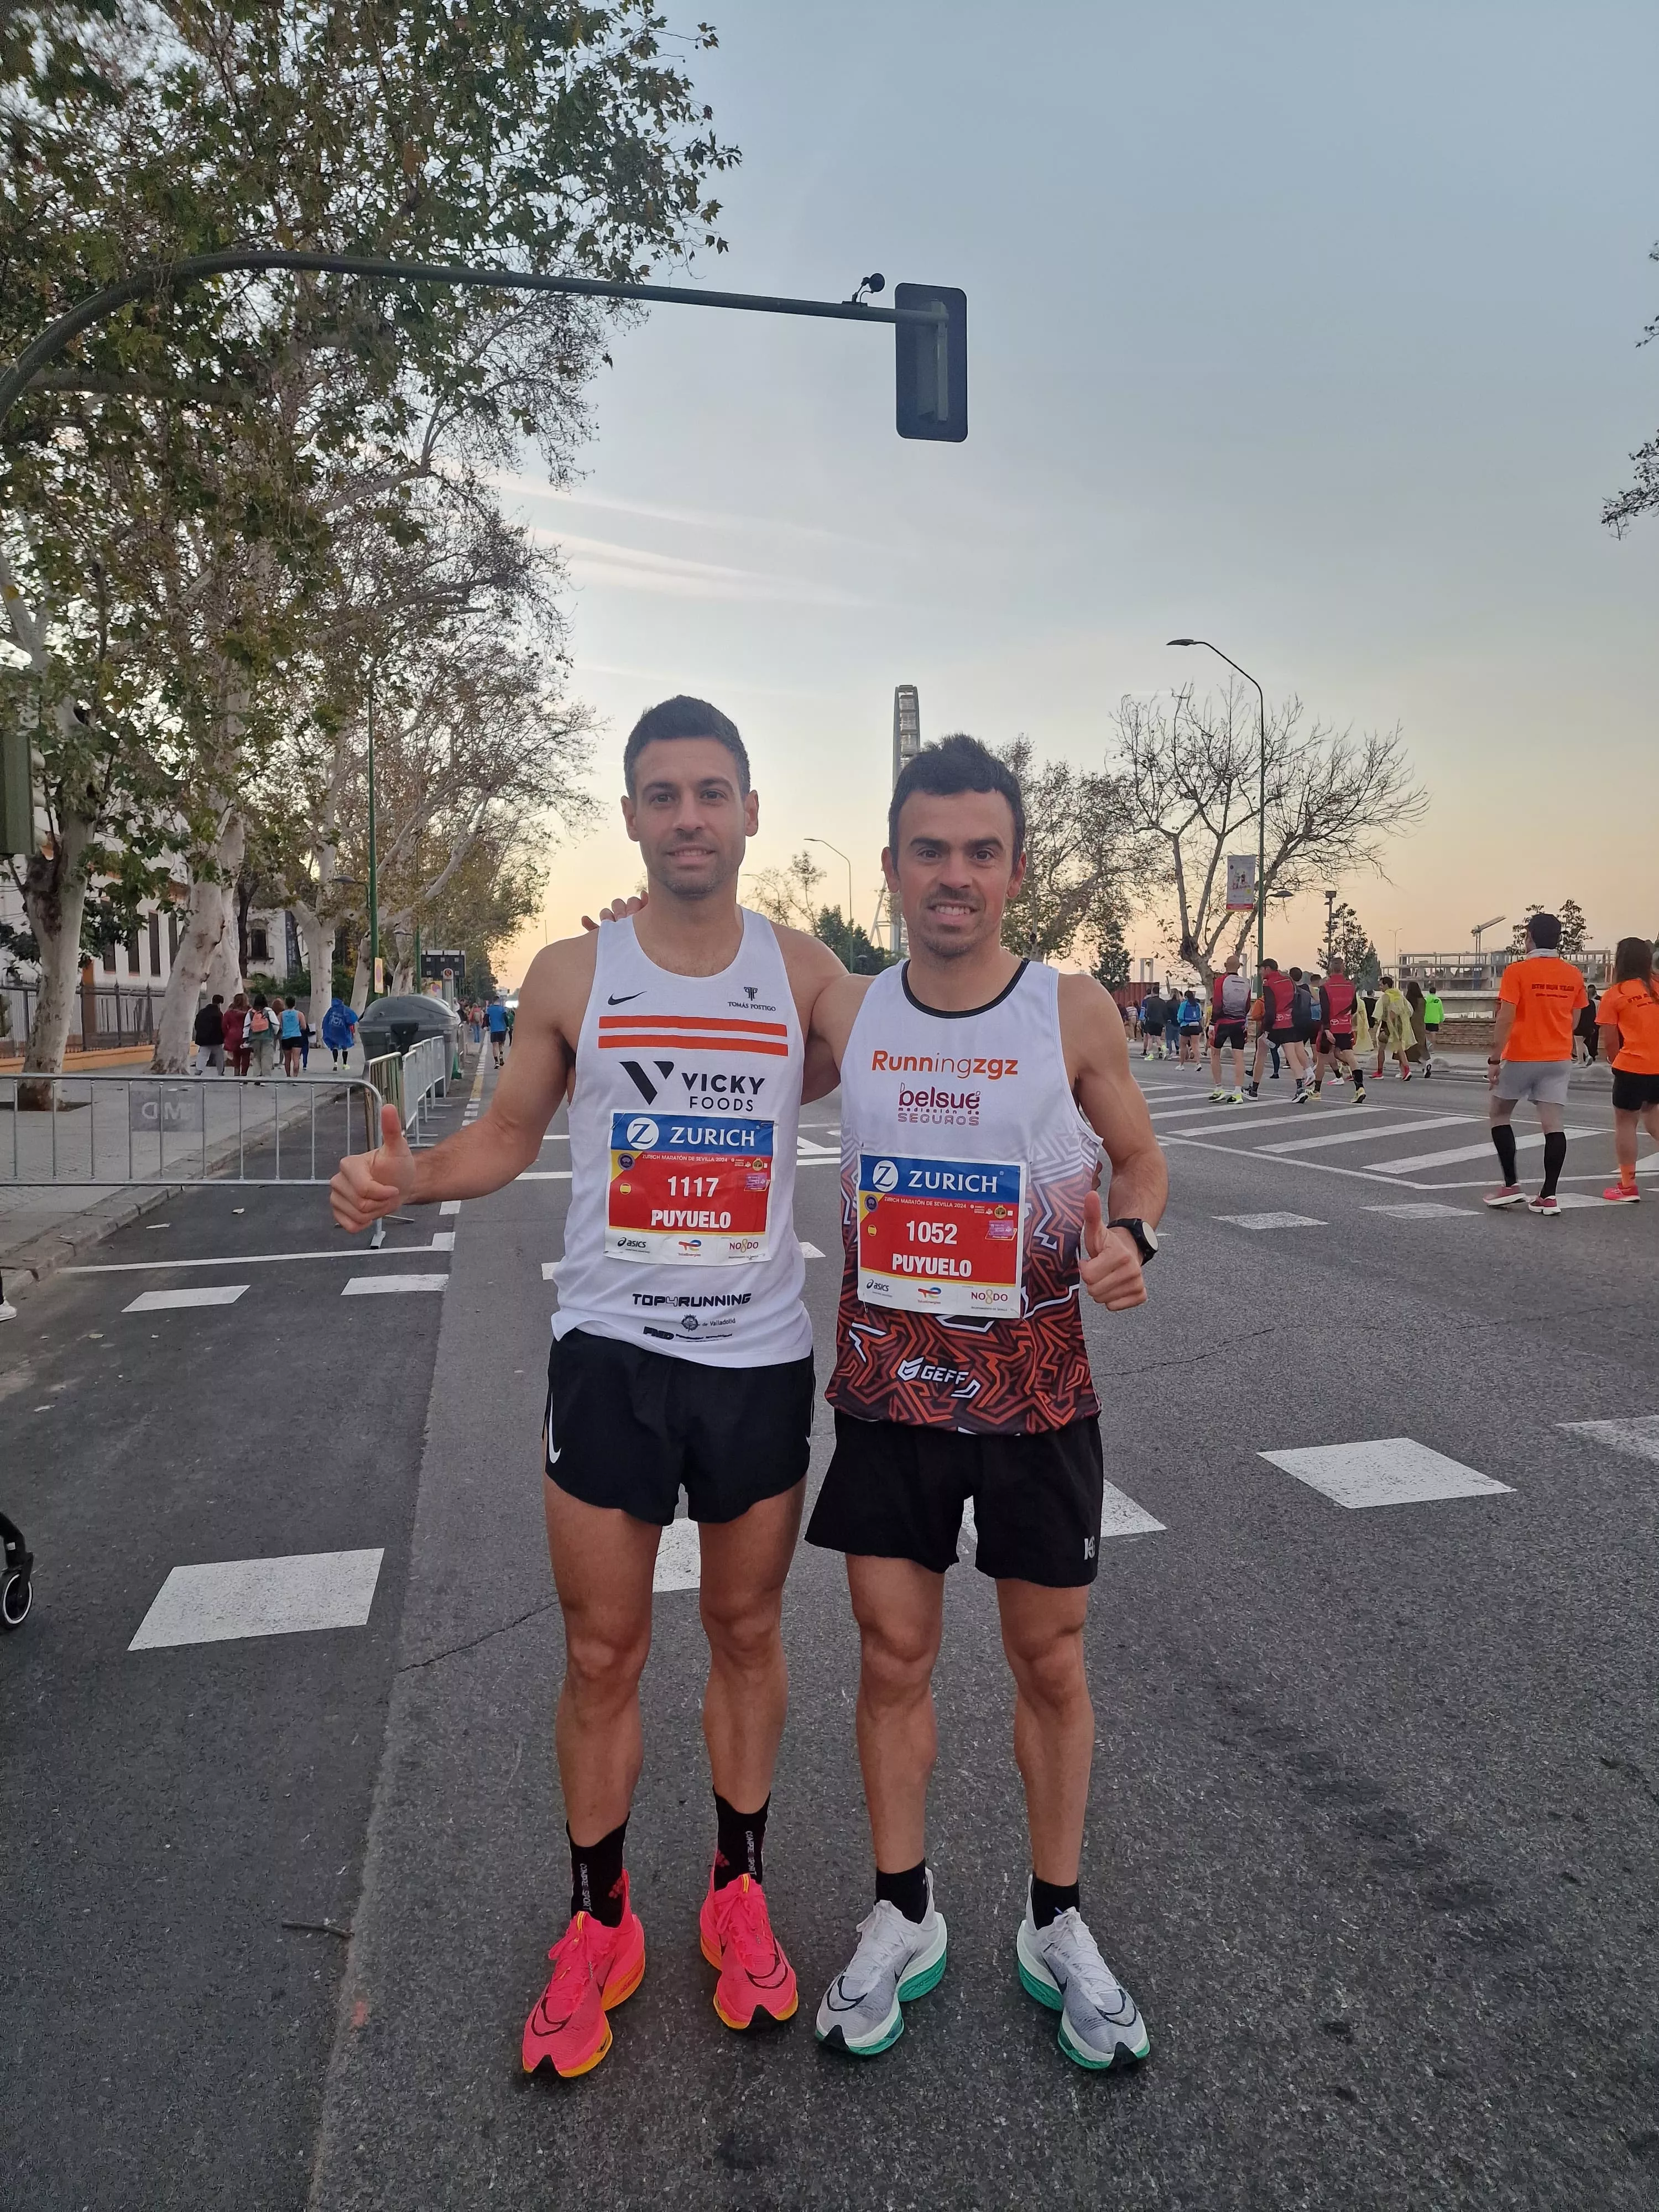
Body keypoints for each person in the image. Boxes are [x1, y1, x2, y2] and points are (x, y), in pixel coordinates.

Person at [332, 695, 846, 2081]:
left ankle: (736, 1889)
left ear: (750, 811)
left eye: (712, 792)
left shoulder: (802, 971)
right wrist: (408, 1177)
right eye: (662, 794)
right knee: (603, 1652)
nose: (689, 816)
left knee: (747, 1631)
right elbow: (508, 1132)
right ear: (629, 815)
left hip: (754, 1361)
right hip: (611, 1360)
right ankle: (599, 1918)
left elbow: (927, 1044)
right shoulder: (574, 972)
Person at [805, 734, 1166, 2073]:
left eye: (979, 852)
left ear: (1015, 869)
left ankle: (1055, 1919)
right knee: (890, 1657)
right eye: (928, 851)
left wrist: (1133, 1236)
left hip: (1038, 1394)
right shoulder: (849, 1008)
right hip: (889, 1393)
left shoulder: (1069, 1009)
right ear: (892, 865)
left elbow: (1138, 1160)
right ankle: (902, 1909)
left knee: (1050, 1662)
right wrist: (628, 930)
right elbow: (712, 981)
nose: (952, 875)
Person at [1484, 912, 1587, 1215]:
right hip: (1558, 1057)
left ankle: (1511, 1185)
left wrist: (1494, 1058)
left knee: (1500, 1114)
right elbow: (1575, 1019)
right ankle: (1548, 1196)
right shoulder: (1573, 974)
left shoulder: (1517, 971)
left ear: (1529, 937)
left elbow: (1506, 1017)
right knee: (1553, 1125)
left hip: (1522, 1055)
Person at [1596, 938, 1659, 1204]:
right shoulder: (1656, 988)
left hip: (1632, 1066)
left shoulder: (1616, 994)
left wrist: (1615, 1063)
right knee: (1654, 1118)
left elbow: (1610, 1040)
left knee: (1626, 1123)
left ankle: (1627, 1185)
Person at [1308, 956, 1364, 1104]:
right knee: (1350, 1057)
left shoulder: (1325, 988)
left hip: (1330, 1027)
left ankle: (1317, 1091)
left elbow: (1325, 1010)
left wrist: (1327, 1029)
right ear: (1343, 969)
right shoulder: (1351, 987)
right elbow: (1354, 1007)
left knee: (1321, 1059)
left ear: (1330, 969)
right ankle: (1360, 1088)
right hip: (1345, 1026)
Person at [1248, 958, 1297, 1098]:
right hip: (1288, 1022)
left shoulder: (1269, 984)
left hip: (1274, 1024)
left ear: (1268, 969)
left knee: (1261, 1054)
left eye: (1261, 969)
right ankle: (1300, 1087)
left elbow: (1270, 1008)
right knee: (1291, 1054)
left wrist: (1266, 1029)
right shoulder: (1288, 981)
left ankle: (1254, 1089)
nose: (1260, 972)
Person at [1208, 956, 1250, 1102]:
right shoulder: (1246, 983)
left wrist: (1212, 1024)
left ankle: (1219, 1089)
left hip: (1222, 1022)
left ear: (1226, 965)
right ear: (1239, 966)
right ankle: (1238, 1092)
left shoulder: (1221, 981)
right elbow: (1247, 1005)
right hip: (1240, 1022)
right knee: (1239, 1058)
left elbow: (1217, 1004)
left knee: (1215, 1054)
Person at [1375, 976, 1412, 1082]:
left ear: (1387, 985)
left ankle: (1379, 1072)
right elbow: (1409, 1010)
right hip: (1400, 1025)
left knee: (1381, 1048)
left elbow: (1381, 1013)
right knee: (1400, 1047)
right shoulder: (1399, 995)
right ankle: (1407, 1070)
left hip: (1387, 1025)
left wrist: (1382, 1023)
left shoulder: (1386, 997)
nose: (1380, 987)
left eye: (1381, 985)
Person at [244, 992, 277, 1079]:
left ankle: (257, 1076)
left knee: (256, 1057)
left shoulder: (251, 1012)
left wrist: (246, 1038)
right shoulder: (269, 1011)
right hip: (268, 1037)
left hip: (254, 1038)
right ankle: (265, 1078)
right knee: (267, 1057)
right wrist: (274, 1033)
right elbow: (276, 1024)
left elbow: (246, 1026)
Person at [321, 994, 358, 1069]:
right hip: (343, 1031)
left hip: (332, 1031)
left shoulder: (331, 1010)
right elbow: (351, 1020)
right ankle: (345, 1064)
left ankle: (335, 1063)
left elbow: (326, 1020)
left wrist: (325, 1029)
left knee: (334, 1046)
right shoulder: (345, 1010)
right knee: (345, 1047)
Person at [192, 993, 226, 1074]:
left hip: (203, 1038)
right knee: (219, 1056)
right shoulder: (219, 1014)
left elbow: (196, 1024)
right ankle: (220, 1071)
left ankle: (199, 1070)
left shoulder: (202, 1012)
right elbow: (221, 1027)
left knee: (203, 1054)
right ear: (220, 1003)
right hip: (216, 1039)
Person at [1404, 979, 1431, 1077]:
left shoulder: (1407, 1001)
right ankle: (1426, 1063)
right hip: (1420, 1027)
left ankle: (1403, 1071)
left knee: (1406, 1050)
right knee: (1421, 1048)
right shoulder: (1423, 1001)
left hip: (1410, 1027)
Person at [223, 990, 249, 1076]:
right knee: (246, 1056)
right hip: (246, 1035)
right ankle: (244, 1074)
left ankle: (236, 1074)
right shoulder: (249, 1012)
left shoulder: (229, 1012)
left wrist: (227, 1034)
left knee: (236, 1055)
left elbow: (224, 1025)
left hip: (233, 1036)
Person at [1574, 983, 1600, 1066]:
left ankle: (1581, 1060)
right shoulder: (1592, 1003)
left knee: (1578, 1043)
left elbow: (1576, 1015)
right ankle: (1588, 1056)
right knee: (1582, 1042)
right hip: (1589, 1027)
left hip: (1579, 1026)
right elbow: (1594, 1015)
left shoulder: (1577, 1003)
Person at [1176, 986, 1203, 1065]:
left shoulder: (1184, 1004)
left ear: (1186, 997)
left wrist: (1180, 1022)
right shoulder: (1197, 1005)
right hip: (1196, 1026)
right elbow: (1200, 1016)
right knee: (1195, 1045)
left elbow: (1180, 1017)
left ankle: (1181, 1064)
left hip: (1186, 1026)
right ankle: (1198, 1063)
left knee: (1183, 1045)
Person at [279, 994, 304, 1076]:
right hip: (297, 1037)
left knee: (287, 1059)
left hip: (286, 1037)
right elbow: (304, 1027)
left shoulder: (282, 1014)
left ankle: (288, 1076)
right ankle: (295, 1076)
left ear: (286, 1004)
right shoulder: (300, 1014)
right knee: (296, 1058)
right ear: (295, 1004)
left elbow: (278, 1026)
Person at [1422, 982, 1444, 1058]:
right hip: (1435, 1019)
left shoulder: (1425, 1000)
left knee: (1424, 1032)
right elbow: (1441, 1011)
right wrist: (1442, 1019)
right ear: (1435, 992)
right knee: (1433, 1033)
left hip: (1426, 1019)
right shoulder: (1438, 1000)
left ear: (1429, 992)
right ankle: (1432, 1049)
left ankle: (1427, 1043)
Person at [485, 995, 509, 1068]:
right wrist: (508, 1026)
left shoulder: (489, 1009)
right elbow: (505, 1018)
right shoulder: (502, 1009)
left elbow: (486, 1018)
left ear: (493, 1001)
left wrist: (488, 1026)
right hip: (502, 1029)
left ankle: (496, 1062)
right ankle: (501, 1055)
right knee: (501, 1044)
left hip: (494, 1029)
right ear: (499, 1001)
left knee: (495, 1046)